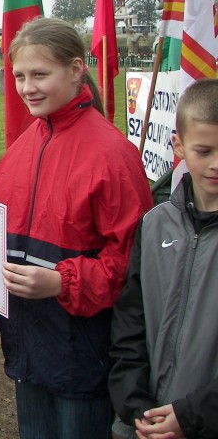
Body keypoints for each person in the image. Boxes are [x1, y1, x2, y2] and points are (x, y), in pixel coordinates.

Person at [0, 18, 152, 438]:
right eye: (19, 76)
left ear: (76, 69)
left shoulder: (113, 155)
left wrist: (63, 282)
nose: (27, 88)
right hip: (24, 341)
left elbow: (133, 264)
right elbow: (1, 228)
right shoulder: (23, 146)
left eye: (40, 74)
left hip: (82, 347)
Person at [110, 78, 218, 439]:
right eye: (204, 151)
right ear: (179, 146)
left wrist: (191, 417)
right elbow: (131, 320)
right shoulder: (155, 224)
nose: (216, 164)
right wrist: (135, 404)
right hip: (147, 422)